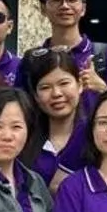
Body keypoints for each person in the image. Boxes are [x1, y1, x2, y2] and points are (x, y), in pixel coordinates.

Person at [37, 0, 107, 92]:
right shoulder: (33, 60)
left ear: (83, 8)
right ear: (43, 9)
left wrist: (103, 90)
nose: (64, 6)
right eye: (56, 0)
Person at [22, 47, 89, 186]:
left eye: (64, 83)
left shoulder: (95, 137)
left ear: (80, 85)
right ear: (35, 96)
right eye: (45, 87)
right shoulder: (23, 140)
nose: (56, 93)